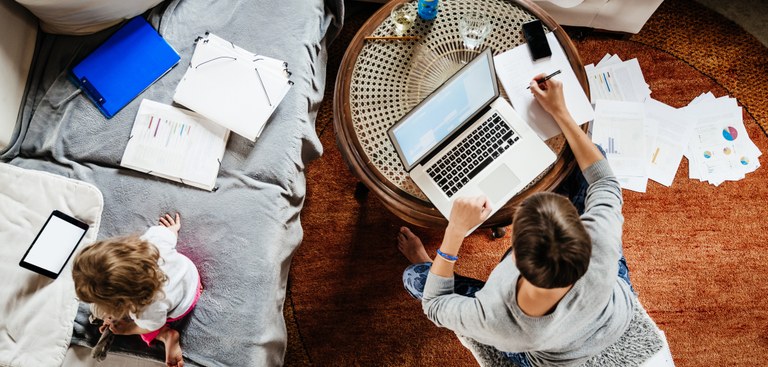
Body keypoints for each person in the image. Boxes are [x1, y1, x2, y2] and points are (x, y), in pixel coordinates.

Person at [398, 74, 635, 366]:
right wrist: (560, 111)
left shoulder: (499, 321)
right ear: (584, 234)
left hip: (547, 352)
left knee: (416, 279)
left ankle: (428, 263)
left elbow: (435, 306)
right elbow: (605, 182)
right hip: (615, 310)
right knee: (588, 157)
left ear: (512, 259)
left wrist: (455, 232)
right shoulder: (601, 239)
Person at [72, 213, 202, 367]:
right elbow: (169, 233)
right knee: (98, 311)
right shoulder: (152, 242)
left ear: (123, 302)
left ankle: (167, 336)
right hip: (190, 273)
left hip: (184, 304)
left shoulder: (144, 310)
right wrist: (173, 229)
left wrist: (127, 329)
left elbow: (151, 325)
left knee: (99, 313)